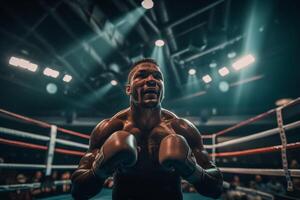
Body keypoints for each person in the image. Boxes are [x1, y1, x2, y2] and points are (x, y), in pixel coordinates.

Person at [71, 58, 223, 200]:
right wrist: (100, 169)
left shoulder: (181, 128)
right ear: (128, 89)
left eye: (158, 76)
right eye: (141, 75)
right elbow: (78, 191)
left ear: (163, 88)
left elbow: (216, 188)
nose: (151, 80)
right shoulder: (109, 128)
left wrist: (191, 170)